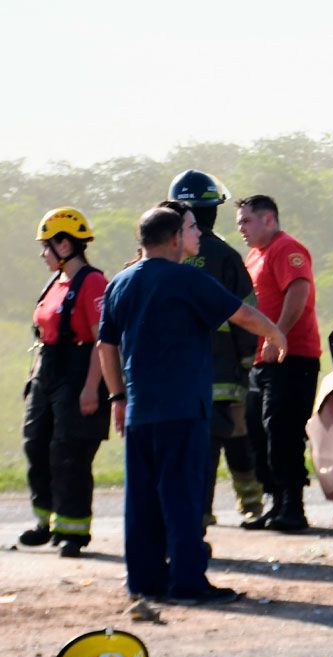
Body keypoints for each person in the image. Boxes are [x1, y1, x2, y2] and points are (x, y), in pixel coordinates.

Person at [98, 206, 286, 604]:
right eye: (189, 228)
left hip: (140, 411)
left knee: (143, 500)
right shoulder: (186, 279)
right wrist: (274, 332)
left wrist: (117, 396)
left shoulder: (119, 282)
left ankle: (146, 583)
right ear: (171, 239)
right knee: (183, 497)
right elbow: (242, 313)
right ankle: (187, 583)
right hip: (182, 408)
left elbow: (106, 346)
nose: (197, 233)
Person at [168, 170, 264, 525]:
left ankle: (202, 510)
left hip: (180, 375)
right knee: (235, 438)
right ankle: (251, 505)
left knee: (200, 444)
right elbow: (248, 312)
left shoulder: (167, 256)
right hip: (223, 372)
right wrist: (245, 362)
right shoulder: (224, 255)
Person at [19, 208, 111, 558]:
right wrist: (32, 379)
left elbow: (101, 341)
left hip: (77, 376)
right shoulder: (54, 283)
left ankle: (73, 531)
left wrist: (92, 387)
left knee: (69, 453)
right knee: (36, 445)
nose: (44, 254)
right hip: (47, 374)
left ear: (64, 243)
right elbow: (43, 336)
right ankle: (46, 523)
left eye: (46, 246)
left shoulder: (93, 283)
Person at [236, 195, 321, 533]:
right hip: (262, 361)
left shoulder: (286, 249)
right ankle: (274, 502)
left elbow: (299, 290)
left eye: (247, 221)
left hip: (292, 357)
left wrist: (277, 336)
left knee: (282, 431)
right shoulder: (254, 256)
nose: (241, 228)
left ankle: (293, 508)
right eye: (240, 222)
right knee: (257, 430)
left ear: (268, 219)